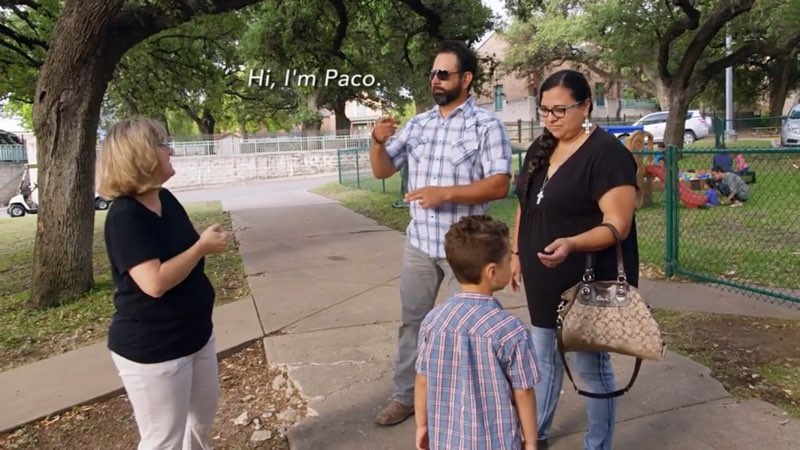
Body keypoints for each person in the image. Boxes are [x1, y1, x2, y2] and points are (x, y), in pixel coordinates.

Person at [369, 39, 513, 426]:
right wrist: (377, 142)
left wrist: (445, 193)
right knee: (412, 323)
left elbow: (500, 184)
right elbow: (382, 170)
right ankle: (405, 397)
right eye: (432, 73)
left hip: (466, 248)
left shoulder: (487, 126)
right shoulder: (419, 124)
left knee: (464, 332)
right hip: (420, 244)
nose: (435, 79)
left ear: (465, 79)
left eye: (443, 73)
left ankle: (460, 407)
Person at [510, 69, 640, 450]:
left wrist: (572, 243)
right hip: (543, 276)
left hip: (586, 280)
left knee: (589, 367)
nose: (551, 118)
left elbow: (618, 225)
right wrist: (518, 251)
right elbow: (525, 205)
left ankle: (597, 444)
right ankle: (537, 435)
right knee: (543, 359)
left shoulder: (608, 155)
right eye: (544, 110)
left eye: (560, 110)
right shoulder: (542, 146)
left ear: (586, 106)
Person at [97, 116, 228, 449]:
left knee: (200, 423)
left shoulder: (165, 199)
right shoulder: (125, 217)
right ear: (140, 155)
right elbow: (154, 283)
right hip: (154, 348)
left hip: (196, 335)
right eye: (162, 144)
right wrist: (201, 247)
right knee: (163, 440)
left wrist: (198, 246)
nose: (170, 150)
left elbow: (180, 253)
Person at [414, 215, 539, 450]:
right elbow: (524, 392)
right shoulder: (511, 330)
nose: (512, 262)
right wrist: (531, 442)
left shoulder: (433, 321)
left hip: (447, 440)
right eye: (508, 258)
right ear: (492, 271)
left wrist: (422, 425)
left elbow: (423, 379)